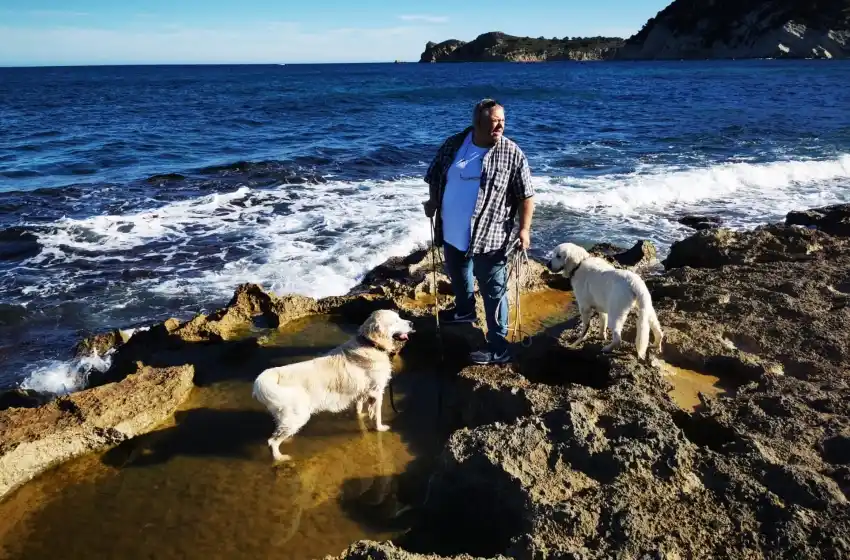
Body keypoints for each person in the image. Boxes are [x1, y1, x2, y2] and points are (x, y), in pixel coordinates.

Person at [423, 98, 535, 365]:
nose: (500, 126)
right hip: (451, 230)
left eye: (503, 121)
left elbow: (526, 196)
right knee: (459, 272)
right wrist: (433, 201)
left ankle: (499, 347)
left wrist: (524, 229)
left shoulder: (512, 153)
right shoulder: (454, 144)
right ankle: (465, 311)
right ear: (477, 123)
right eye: (494, 121)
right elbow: (435, 174)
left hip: (491, 237)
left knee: (494, 292)